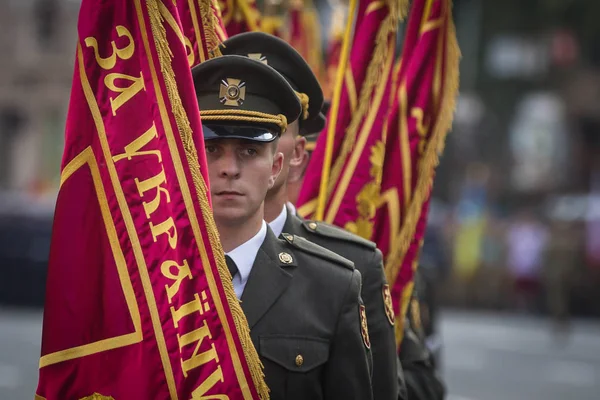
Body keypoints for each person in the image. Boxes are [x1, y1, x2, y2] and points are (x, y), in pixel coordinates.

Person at [219, 32, 398, 400]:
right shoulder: (156, 270)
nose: (229, 167)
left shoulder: (340, 277)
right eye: (212, 147)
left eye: (252, 147)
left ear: (284, 159)